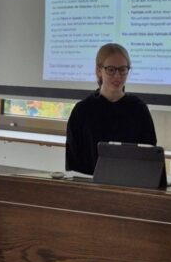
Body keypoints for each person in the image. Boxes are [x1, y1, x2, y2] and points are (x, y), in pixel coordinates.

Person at [65, 43, 157, 175]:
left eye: (123, 69)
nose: (117, 76)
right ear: (99, 71)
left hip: (129, 183)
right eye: (111, 69)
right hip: (89, 183)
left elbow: (149, 154)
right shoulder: (82, 110)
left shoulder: (138, 108)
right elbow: (73, 158)